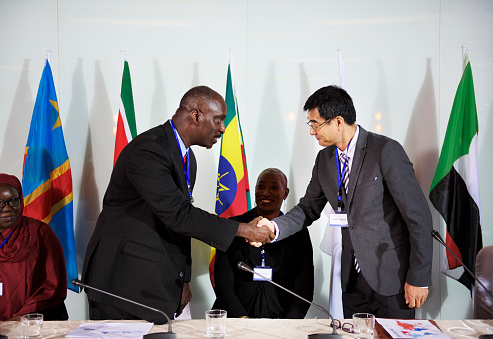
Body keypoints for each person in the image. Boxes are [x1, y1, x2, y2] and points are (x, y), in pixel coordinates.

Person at [82, 86, 274, 324]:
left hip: (154, 283)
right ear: (195, 115)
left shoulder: (187, 159)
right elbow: (179, 215)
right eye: (218, 120)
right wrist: (244, 229)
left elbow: (179, 227)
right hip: (121, 283)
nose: (223, 129)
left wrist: (183, 279)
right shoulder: (148, 150)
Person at [259, 85, 433, 319]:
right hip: (352, 281)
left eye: (315, 124)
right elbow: (308, 208)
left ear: (338, 122)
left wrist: (419, 277)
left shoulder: (385, 151)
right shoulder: (324, 160)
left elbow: (418, 216)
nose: (312, 132)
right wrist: (275, 227)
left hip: (392, 278)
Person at [213, 168, 314, 319]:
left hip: (281, 319)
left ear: (285, 193)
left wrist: (290, 323)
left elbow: (304, 286)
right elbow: (223, 283)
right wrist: (241, 319)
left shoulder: (298, 233)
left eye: (274, 187)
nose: (266, 192)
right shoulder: (235, 226)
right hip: (235, 319)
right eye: (260, 186)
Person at [0, 173, 68, 321]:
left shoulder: (39, 233)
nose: (7, 208)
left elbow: (52, 286)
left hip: (28, 326)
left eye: (13, 200)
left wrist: (22, 319)